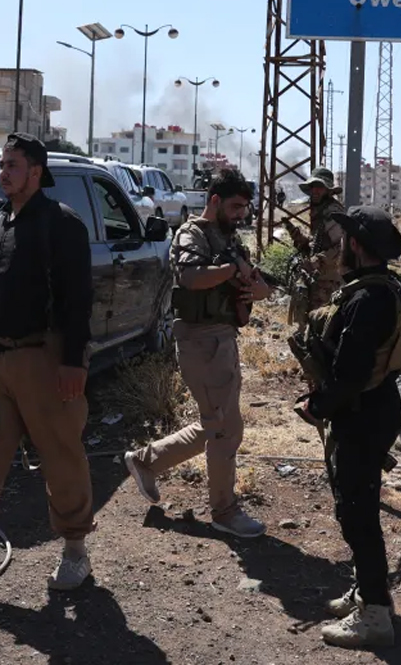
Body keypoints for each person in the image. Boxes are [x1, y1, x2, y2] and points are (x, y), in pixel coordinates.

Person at [0, 133, 97, 591]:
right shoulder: (0, 220)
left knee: (61, 457)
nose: (4, 173)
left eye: (13, 166)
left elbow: (78, 298)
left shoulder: (61, 223)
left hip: (45, 359)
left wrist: (72, 362)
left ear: (36, 172)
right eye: (2, 165)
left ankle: (75, 551)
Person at [124, 168, 271, 538]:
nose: (241, 214)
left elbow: (258, 283)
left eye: (245, 208)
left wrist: (255, 286)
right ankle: (224, 510)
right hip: (201, 342)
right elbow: (191, 277)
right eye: (235, 207)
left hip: (222, 338)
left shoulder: (229, 237)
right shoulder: (192, 234)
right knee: (224, 428)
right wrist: (231, 269)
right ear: (215, 200)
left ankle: (147, 461)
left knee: (219, 423)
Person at [291, 205, 401, 649]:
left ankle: (375, 616)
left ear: (355, 245)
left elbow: (351, 373)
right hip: (374, 408)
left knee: (358, 515)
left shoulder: (366, 300)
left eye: (345, 239)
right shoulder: (382, 289)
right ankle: (367, 591)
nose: (340, 245)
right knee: (358, 508)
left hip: (361, 413)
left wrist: (317, 405)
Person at [281, 166, 346, 322]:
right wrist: (300, 239)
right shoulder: (319, 210)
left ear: (328, 190)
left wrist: (317, 260)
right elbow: (318, 243)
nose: (315, 191)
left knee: (322, 322)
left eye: (320, 187)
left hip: (329, 281)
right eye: (313, 187)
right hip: (318, 278)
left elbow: (341, 247)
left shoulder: (333, 213)